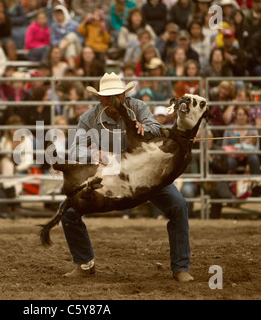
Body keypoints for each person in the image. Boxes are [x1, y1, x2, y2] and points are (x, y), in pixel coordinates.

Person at [58, 72, 193, 282]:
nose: (112, 101)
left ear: (123, 96)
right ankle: (85, 264)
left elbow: (157, 127)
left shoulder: (137, 107)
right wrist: (93, 153)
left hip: (146, 173)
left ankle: (181, 268)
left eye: (116, 96)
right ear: (100, 99)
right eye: (107, 97)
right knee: (67, 212)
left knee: (178, 205)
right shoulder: (88, 118)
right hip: (111, 179)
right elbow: (75, 149)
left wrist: (144, 129)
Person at [222, 105, 261, 175]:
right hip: (232, 155)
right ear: (235, 116)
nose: (242, 117)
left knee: (254, 158)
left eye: (244, 115)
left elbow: (257, 148)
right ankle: (231, 183)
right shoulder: (229, 129)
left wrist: (244, 152)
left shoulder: (253, 129)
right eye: (239, 115)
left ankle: (256, 181)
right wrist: (235, 151)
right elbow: (224, 146)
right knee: (230, 161)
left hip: (248, 155)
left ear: (247, 116)